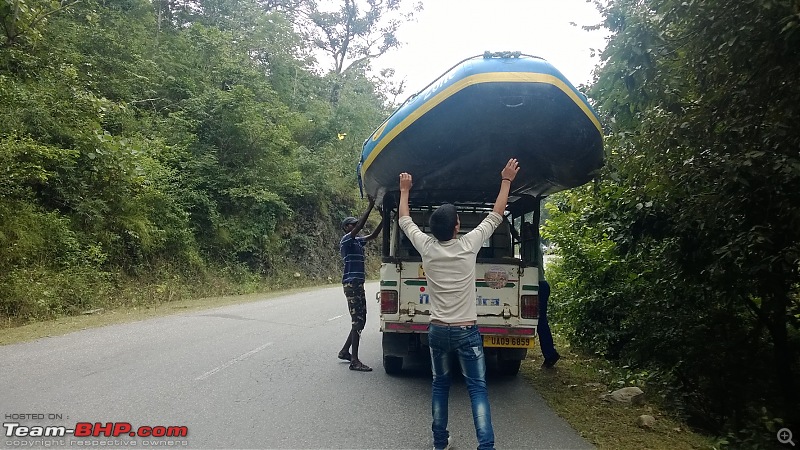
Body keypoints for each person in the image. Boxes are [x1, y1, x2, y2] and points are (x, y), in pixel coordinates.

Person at [398, 158, 520, 450]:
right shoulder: (469, 245)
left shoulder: (426, 247)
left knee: (440, 385)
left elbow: (404, 221)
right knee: (477, 388)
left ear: (434, 230)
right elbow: (496, 214)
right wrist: (506, 180)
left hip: (438, 331)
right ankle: (485, 446)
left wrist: (405, 190)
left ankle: (440, 443)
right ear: (457, 226)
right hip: (467, 331)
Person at [339, 196, 383, 372]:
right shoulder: (347, 240)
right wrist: (370, 205)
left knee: (361, 320)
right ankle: (354, 360)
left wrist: (384, 218)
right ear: (346, 228)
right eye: (352, 225)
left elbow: (373, 235)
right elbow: (361, 228)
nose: (355, 226)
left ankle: (344, 351)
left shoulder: (357, 242)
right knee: (358, 321)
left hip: (358, 284)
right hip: (352, 284)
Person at [537, 279, 561, 368]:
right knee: (541, 321)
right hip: (541, 285)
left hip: (539, 285)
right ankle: (550, 354)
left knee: (540, 321)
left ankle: (551, 355)